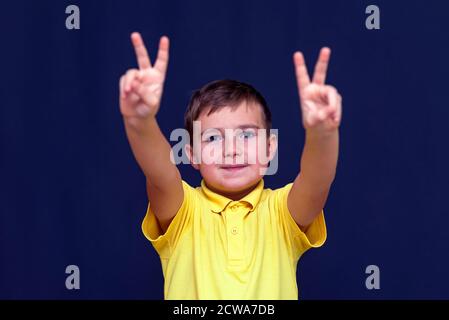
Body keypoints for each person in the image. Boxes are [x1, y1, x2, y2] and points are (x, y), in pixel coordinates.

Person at [119, 32, 342, 300]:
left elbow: (317, 180)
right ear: (191, 154)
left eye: (247, 135)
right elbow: (159, 173)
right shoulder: (183, 210)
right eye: (212, 138)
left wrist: (322, 132)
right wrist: (139, 121)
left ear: (270, 148)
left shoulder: (282, 212)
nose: (231, 150)